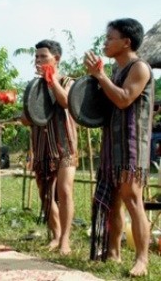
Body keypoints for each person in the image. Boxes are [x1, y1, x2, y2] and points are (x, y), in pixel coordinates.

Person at [85, 18, 152, 277]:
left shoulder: (140, 68)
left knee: (133, 200)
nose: (105, 42)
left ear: (126, 42)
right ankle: (112, 252)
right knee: (112, 201)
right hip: (112, 143)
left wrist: (99, 75)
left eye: (110, 38)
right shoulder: (115, 71)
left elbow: (124, 100)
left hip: (132, 144)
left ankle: (142, 260)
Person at [22, 40, 78, 255]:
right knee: (46, 193)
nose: (38, 61)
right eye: (36, 57)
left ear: (57, 58)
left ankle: (65, 239)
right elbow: (27, 119)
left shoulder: (67, 82)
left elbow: (66, 103)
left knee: (64, 191)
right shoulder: (33, 87)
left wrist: (51, 80)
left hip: (64, 144)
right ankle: (55, 236)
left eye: (43, 57)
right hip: (42, 145)